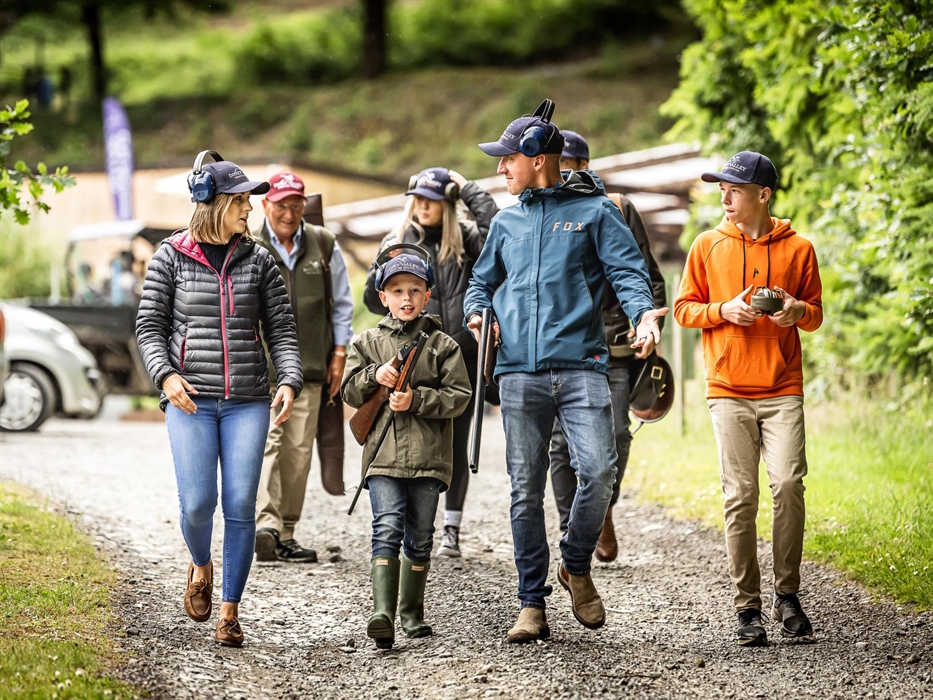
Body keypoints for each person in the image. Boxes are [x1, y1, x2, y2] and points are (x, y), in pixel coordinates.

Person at [463, 100, 669, 643]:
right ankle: (531, 603)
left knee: (600, 472)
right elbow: (480, 283)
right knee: (524, 491)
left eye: (507, 158)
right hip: (518, 374)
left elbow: (629, 274)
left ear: (537, 156)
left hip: (583, 366)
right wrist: (478, 314)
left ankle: (575, 564)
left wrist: (643, 317)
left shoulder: (597, 212)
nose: (501, 168)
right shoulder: (506, 221)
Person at [136, 155, 303, 647]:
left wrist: (289, 380)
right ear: (215, 203)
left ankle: (230, 611)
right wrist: (165, 377)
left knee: (238, 505)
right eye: (242, 202)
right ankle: (201, 565)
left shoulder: (259, 260)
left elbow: (282, 331)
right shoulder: (169, 257)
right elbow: (149, 328)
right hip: (188, 399)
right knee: (197, 505)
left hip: (248, 399)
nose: (249, 209)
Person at [674, 151, 823, 646]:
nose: (724, 197)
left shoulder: (799, 248)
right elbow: (683, 309)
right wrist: (723, 310)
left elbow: (815, 314)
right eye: (722, 189)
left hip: (782, 387)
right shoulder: (706, 245)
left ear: (763, 195)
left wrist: (795, 310)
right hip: (728, 389)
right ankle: (747, 608)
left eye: (733, 190)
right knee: (740, 496)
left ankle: (787, 595)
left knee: (787, 484)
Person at [363, 167, 498, 558]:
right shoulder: (398, 241)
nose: (421, 206)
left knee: (455, 444)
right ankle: (409, 528)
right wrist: (384, 266)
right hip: (411, 360)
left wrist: (467, 187)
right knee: (409, 443)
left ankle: (451, 529)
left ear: (447, 202)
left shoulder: (468, 239)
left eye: (431, 199)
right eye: (417, 198)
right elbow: (373, 301)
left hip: (461, 356)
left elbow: (498, 233)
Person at [548, 130, 668, 561]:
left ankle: (600, 512)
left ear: (584, 166)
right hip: (562, 349)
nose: (561, 175)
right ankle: (573, 532)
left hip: (615, 349)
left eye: (569, 166)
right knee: (560, 446)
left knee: (616, 435)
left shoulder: (617, 207)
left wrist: (647, 325)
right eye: (555, 166)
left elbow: (647, 275)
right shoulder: (540, 214)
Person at [343, 249, 471, 649]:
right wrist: (373, 376)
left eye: (415, 290)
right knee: (386, 529)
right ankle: (382, 613)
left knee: (419, 537)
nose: (406, 298)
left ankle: (412, 615)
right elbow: (347, 390)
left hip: (429, 461)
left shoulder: (443, 345)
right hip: (382, 459)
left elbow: (460, 396)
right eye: (397, 290)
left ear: (427, 294)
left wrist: (416, 400)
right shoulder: (366, 342)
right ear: (383, 297)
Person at [254, 171, 354, 563]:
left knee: (297, 453)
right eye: (281, 205)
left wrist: (340, 355)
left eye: (296, 204)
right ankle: (265, 525)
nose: (289, 212)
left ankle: (286, 531)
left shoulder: (324, 244)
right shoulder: (249, 243)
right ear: (266, 205)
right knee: (268, 445)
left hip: (311, 367)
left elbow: (343, 304)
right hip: (260, 368)